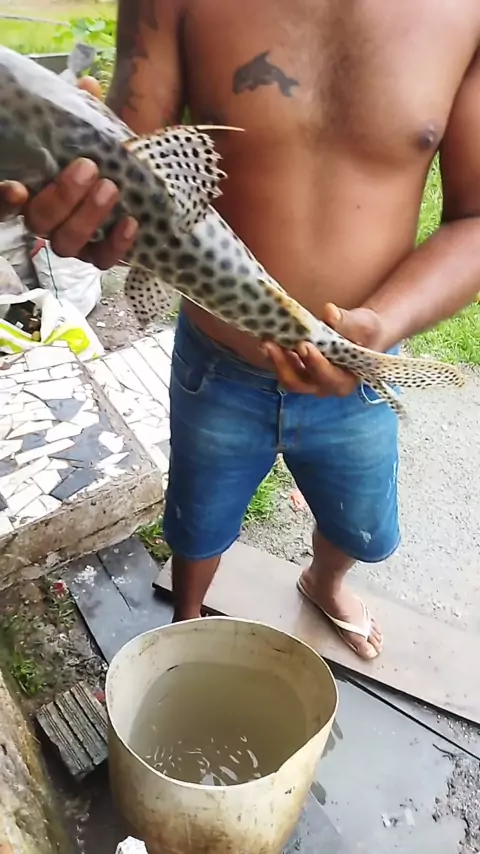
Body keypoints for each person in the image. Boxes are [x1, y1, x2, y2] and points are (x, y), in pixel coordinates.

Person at [2, 1, 480, 659]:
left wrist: (381, 325)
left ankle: (323, 582)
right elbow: (128, 162)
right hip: (216, 369)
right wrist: (82, 202)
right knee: (197, 522)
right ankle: (187, 614)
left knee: (358, 526)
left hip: (360, 373)